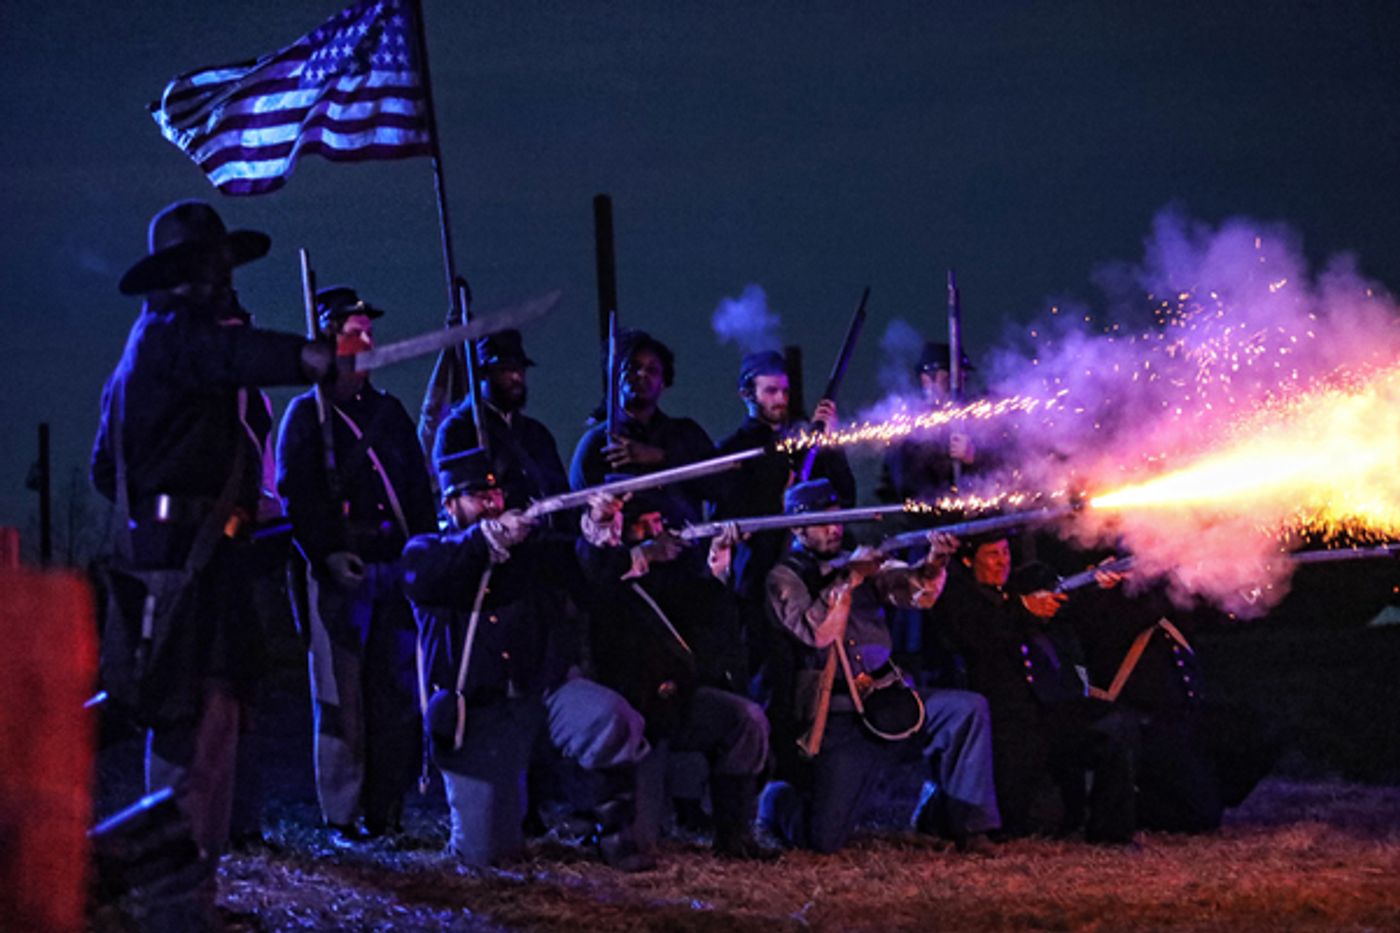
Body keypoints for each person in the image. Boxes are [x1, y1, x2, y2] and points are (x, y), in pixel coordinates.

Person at [91, 200, 338, 929]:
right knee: (190, 738)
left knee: (213, 729)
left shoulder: (171, 352)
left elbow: (109, 466)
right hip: (180, 573)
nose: (227, 283)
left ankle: (189, 900)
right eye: (214, 270)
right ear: (183, 280)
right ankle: (173, 908)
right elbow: (225, 358)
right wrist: (305, 357)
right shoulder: (171, 341)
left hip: (196, 565)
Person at [402, 449, 653, 869]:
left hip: (542, 694)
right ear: (449, 504)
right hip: (479, 714)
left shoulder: (532, 550)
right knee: (487, 856)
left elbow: (590, 576)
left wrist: (599, 527)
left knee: (609, 717)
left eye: (495, 494)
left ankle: (616, 836)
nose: (492, 503)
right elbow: (434, 574)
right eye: (477, 496)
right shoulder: (427, 550)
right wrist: (488, 539)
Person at [759, 479, 1001, 854]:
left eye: (838, 520)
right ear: (797, 528)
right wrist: (850, 578)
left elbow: (916, 593)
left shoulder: (861, 560)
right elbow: (818, 633)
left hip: (890, 698)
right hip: (839, 716)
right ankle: (774, 801)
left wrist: (935, 560)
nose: (834, 528)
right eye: (824, 522)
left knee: (965, 711)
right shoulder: (784, 577)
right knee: (822, 840)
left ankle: (964, 824)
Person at [276, 286, 439, 840]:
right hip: (337, 571)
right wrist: (324, 553)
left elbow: (416, 491)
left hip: (392, 567)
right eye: (353, 331)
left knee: (394, 697)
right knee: (341, 700)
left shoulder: (390, 415)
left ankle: (385, 810)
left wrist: (421, 554)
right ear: (328, 340)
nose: (367, 340)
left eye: (369, 331)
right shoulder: (305, 415)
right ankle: (342, 816)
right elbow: (297, 495)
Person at [576, 487, 770, 858]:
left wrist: (718, 560)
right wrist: (643, 553)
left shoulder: (674, 576)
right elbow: (597, 570)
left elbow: (712, 622)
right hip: (635, 717)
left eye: (657, 523)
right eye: (642, 525)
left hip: (678, 704)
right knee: (639, 844)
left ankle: (735, 839)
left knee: (745, 719)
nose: (654, 531)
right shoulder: (602, 571)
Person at [934, 535, 1138, 844]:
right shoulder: (958, 597)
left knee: (1112, 730)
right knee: (1014, 823)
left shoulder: (1018, 588)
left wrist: (1096, 584)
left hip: (1052, 711)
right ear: (967, 560)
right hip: (1005, 724)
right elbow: (981, 633)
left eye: (1005, 552)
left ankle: (1112, 833)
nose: (1002, 561)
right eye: (992, 554)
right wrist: (1023, 608)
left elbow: (1069, 607)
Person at [1067, 562, 1288, 833]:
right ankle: (1142, 804)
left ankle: (1214, 791)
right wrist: (1162, 577)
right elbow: (1135, 617)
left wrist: (1242, 582)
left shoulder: (1174, 593)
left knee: (1268, 729)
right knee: (1201, 819)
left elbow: (1224, 617)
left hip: (1188, 715)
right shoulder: (1106, 600)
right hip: (1147, 725)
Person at [714, 350, 856, 687]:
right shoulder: (734, 450)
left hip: (812, 574)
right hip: (760, 575)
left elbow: (845, 497)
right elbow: (728, 516)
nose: (780, 399)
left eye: (784, 391)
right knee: (772, 676)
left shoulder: (804, 441)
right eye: (770, 391)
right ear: (747, 394)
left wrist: (829, 442)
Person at [569, 329, 716, 521]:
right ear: (616, 377)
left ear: (663, 381)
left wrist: (662, 457)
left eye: (652, 370)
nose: (642, 374)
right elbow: (577, 512)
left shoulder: (685, 433)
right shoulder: (596, 441)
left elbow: (718, 486)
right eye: (633, 367)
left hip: (685, 546)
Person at [433, 329, 569, 510]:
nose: (516, 377)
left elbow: (559, 491)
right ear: (484, 374)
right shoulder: (456, 431)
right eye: (505, 370)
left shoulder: (536, 433)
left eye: (519, 369)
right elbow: (457, 505)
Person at [877, 341, 978, 505]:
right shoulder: (909, 431)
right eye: (948, 381)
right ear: (926, 380)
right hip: (923, 522)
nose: (958, 388)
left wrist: (973, 459)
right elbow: (904, 488)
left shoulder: (975, 422)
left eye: (962, 380)